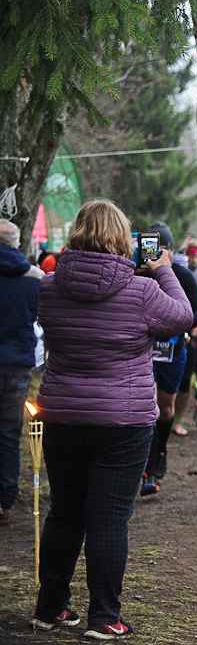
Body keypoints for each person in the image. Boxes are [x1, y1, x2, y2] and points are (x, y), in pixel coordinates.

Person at [30, 199, 192, 638]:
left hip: (62, 413)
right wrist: (161, 268)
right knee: (108, 518)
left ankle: (50, 609)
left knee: (64, 513)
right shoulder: (140, 290)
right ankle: (104, 617)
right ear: (124, 238)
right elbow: (182, 316)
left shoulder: (48, 286)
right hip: (123, 420)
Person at [140, 222, 197, 497]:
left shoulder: (183, 275)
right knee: (149, 403)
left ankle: (161, 449)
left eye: (162, 250)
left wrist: (178, 324)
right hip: (143, 349)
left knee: (166, 408)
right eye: (151, 250)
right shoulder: (136, 274)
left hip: (173, 350)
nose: (156, 256)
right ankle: (148, 468)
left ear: (172, 251)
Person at [0, 219, 43, 527]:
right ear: (18, 243)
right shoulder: (35, 278)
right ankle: (4, 502)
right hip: (17, 366)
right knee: (9, 434)